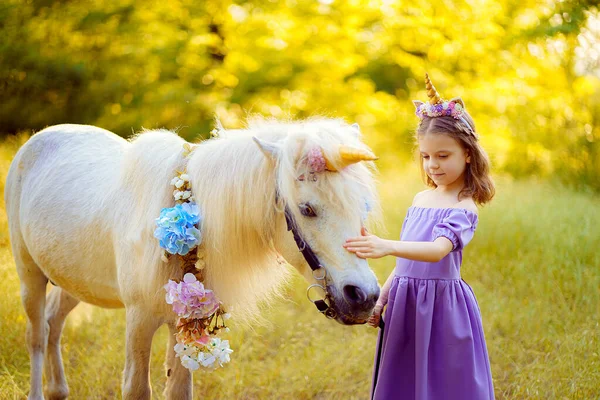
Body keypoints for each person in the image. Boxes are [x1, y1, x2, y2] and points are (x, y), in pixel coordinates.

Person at [344, 74, 496, 399]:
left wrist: (385, 245)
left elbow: (437, 250)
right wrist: (383, 297)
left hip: (441, 306)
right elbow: (404, 263)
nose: (433, 165)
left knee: (443, 378)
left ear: (467, 154)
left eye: (443, 156)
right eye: (426, 157)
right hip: (405, 300)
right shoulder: (420, 199)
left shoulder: (464, 206)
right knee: (403, 376)